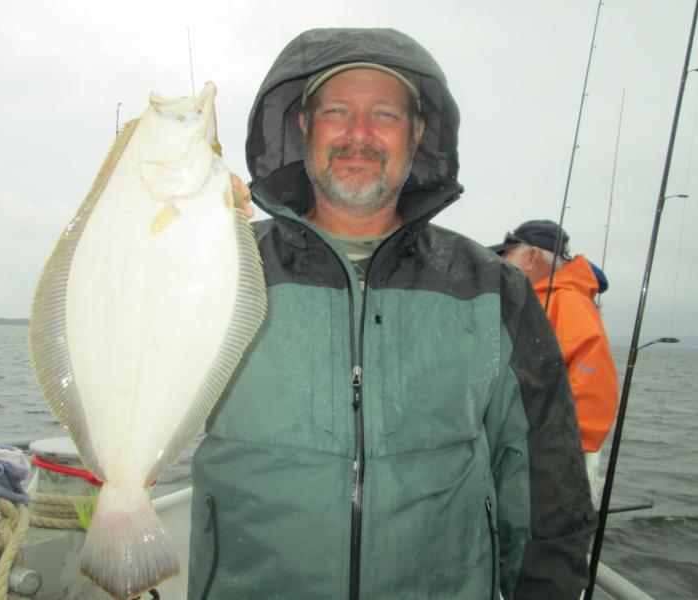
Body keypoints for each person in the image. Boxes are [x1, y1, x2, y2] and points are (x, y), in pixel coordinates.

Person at [188, 28, 596, 600]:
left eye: (385, 114)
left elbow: (543, 483)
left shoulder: (494, 289)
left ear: (418, 133)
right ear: (303, 126)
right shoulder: (217, 267)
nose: (359, 134)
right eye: (336, 111)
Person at [490, 219, 619, 499]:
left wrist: (549, 452)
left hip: (549, 464)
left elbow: (592, 390)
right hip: (522, 455)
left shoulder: (568, 302)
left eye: (507, 255)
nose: (501, 264)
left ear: (532, 256)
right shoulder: (532, 301)